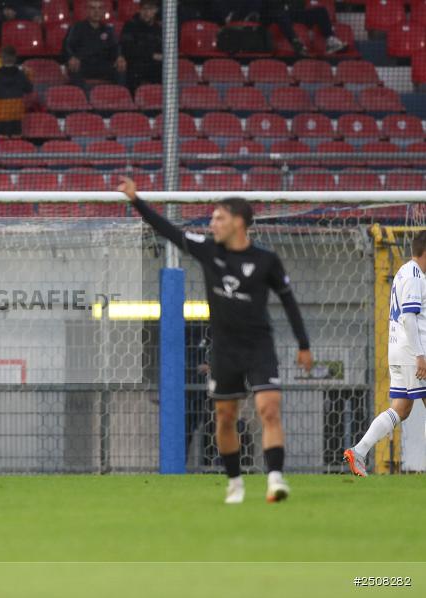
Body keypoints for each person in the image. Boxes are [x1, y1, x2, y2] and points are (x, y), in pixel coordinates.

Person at [118, 177, 313, 503]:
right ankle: (235, 482)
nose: (212, 223)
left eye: (219, 218)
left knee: (269, 409)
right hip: (224, 349)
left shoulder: (266, 260)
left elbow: (290, 302)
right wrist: (136, 201)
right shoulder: (208, 251)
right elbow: (169, 231)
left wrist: (304, 345)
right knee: (225, 416)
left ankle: (276, 479)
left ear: (238, 222)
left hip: (259, 347)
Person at [344, 232, 426, 477]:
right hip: (412, 351)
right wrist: (420, 355)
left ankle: (358, 451)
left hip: (398, 350)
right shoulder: (414, 276)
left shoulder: (403, 271)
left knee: (401, 408)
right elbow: (409, 318)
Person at [63, 0, 126, 89]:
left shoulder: (108, 29)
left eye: (100, 8)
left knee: (121, 69)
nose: (96, 11)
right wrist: (71, 57)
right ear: (87, 10)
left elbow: (115, 47)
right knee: (74, 70)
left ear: (103, 11)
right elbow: (67, 46)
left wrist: (119, 57)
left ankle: (118, 99)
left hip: (102, 65)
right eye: (93, 8)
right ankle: (85, 99)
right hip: (83, 64)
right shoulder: (77, 27)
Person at [261, 0, 346, 56]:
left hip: (292, 12)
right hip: (274, 15)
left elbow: (299, 5)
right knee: (281, 14)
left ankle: (330, 40)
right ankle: (296, 44)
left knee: (321, 11)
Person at [0, 46, 33, 138]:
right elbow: (29, 89)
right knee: (16, 136)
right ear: (15, 58)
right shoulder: (21, 75)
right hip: (16, 111)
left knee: (2, 137)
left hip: (2, 111)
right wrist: (29, 75)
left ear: (1, 58)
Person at [120, 0, 163, 93]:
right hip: (135, 65)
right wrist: (152, 55)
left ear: (156, 10)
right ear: (139, 10)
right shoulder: (130, 26)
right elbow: (128, 49)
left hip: (154, 66)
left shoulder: (159, 29)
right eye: (144, 9)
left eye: (150, 9)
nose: (146, 12)